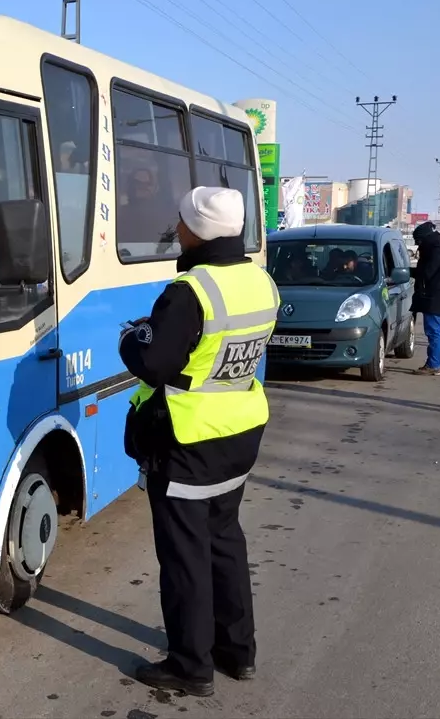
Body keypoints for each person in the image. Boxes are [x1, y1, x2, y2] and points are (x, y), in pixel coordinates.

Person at [118, 186, 280, 697]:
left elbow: (154, 362)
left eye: (182, 223)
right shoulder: (260, 281)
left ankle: (190, 666)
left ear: (198, 231)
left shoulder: (191, 291)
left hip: (190, 438)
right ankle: (238, 652)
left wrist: (131, 337)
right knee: (225, 542)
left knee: (185, 555)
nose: (178, 231)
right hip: (240, 429)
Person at [409, 220, 440, 375]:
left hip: (434, 297)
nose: (418, 245)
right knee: (437, 331)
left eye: (419, 241)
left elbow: (427, 274)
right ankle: (438, 363)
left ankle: (434, 365)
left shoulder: (436, 252)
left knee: (434, 331)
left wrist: (411, 272)